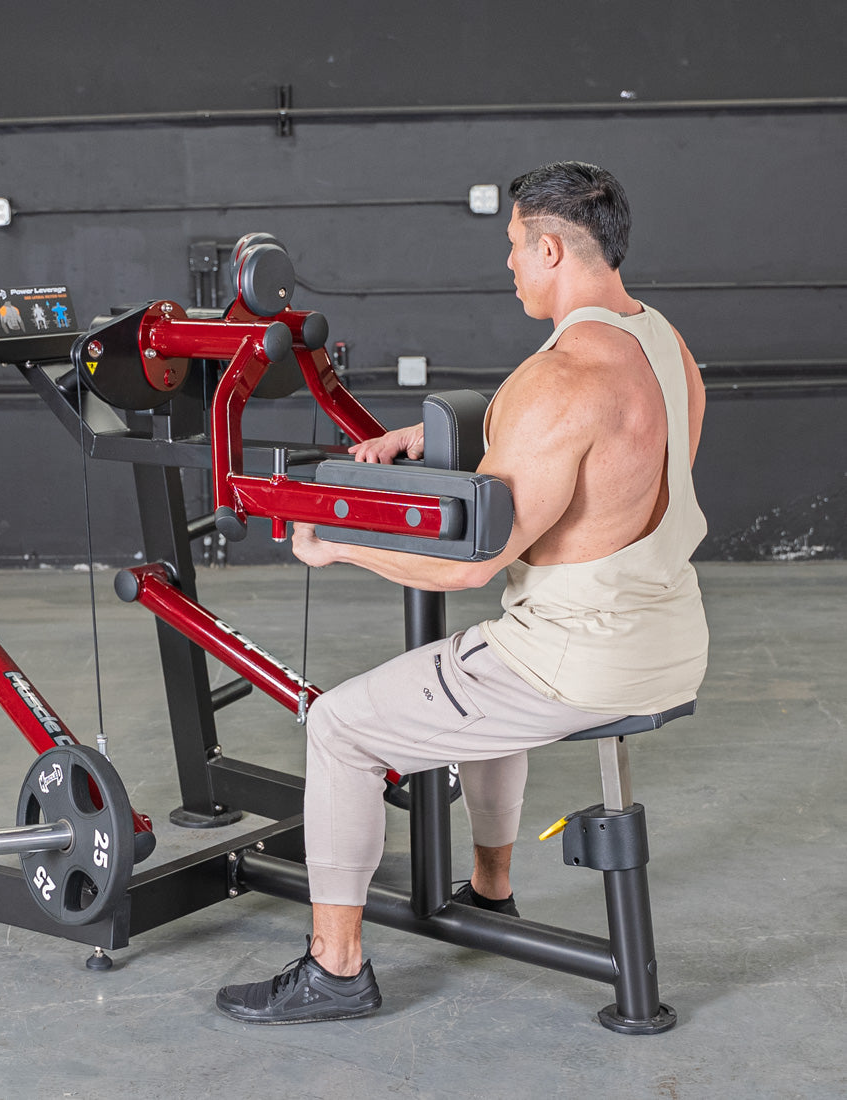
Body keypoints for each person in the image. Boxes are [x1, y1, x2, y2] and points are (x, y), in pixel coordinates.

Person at [215, 161, 709, 1024]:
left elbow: (469, 567)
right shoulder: (665, 345)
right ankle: (488, 894)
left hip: (574, 662)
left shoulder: (558, 379)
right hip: (668, 642)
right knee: (477, 674)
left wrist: (337, 545)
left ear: (550, 249)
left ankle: (335, 969)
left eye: (515, 245)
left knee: (339, 727)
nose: (509, 262)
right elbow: (598, 464)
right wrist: (427, 434)